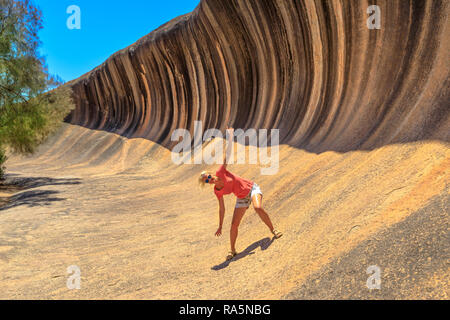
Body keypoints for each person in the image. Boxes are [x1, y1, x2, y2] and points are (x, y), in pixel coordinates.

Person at [198, 127, 282, 261]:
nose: (209, 179)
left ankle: (273, 230)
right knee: (234, 225)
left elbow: (228, 154)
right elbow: (222, 209)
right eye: (207, 180)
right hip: (242, 197)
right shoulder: (217, 191)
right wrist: (220, 226)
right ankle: (233, 250)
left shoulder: (221, 172)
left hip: (252, 188)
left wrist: (230, 136)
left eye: (208, 176)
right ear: (208, 183)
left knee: (258, 208)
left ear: (211, 174)